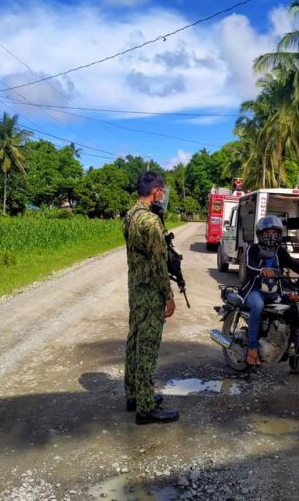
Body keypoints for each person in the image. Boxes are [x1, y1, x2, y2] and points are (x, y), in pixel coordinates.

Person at [124, 171, 178, 425]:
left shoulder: (130, 215)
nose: (164, 196)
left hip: (136, 288)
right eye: (163, 191)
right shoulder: (151, 222)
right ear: (156, 191)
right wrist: (168, 296)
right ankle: (145, 408)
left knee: (134, 340)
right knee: (147, 346)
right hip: (150, 292)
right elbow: (158, 264)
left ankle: (134, 394)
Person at [240, 215, 299, 365]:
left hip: (274, 290)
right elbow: (250, 267)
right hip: (254, 289)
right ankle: (252, 350)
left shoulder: (280, 251)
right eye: (267, 233)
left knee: (294, 309)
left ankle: (293, 352)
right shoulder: (252, 248)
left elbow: (294, 264)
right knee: (257, 306)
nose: (271, 236)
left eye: (274, 233)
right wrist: (262, 270)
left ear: (279, 235)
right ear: (260, 234)